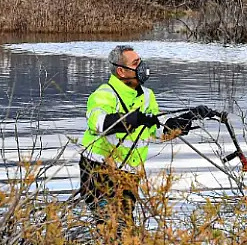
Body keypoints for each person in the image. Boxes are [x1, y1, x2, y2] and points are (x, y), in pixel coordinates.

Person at [78, 45, 206, 229]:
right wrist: (133, 119)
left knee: (126, 231)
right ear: (121, 71)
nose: (142, 67)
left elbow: (159, 130)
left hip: (129, 176)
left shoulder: (147, 96)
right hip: (98, 174)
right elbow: (99, 124)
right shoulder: (103, 95)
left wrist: (189, 117)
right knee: (112, 228)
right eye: (136, 63)